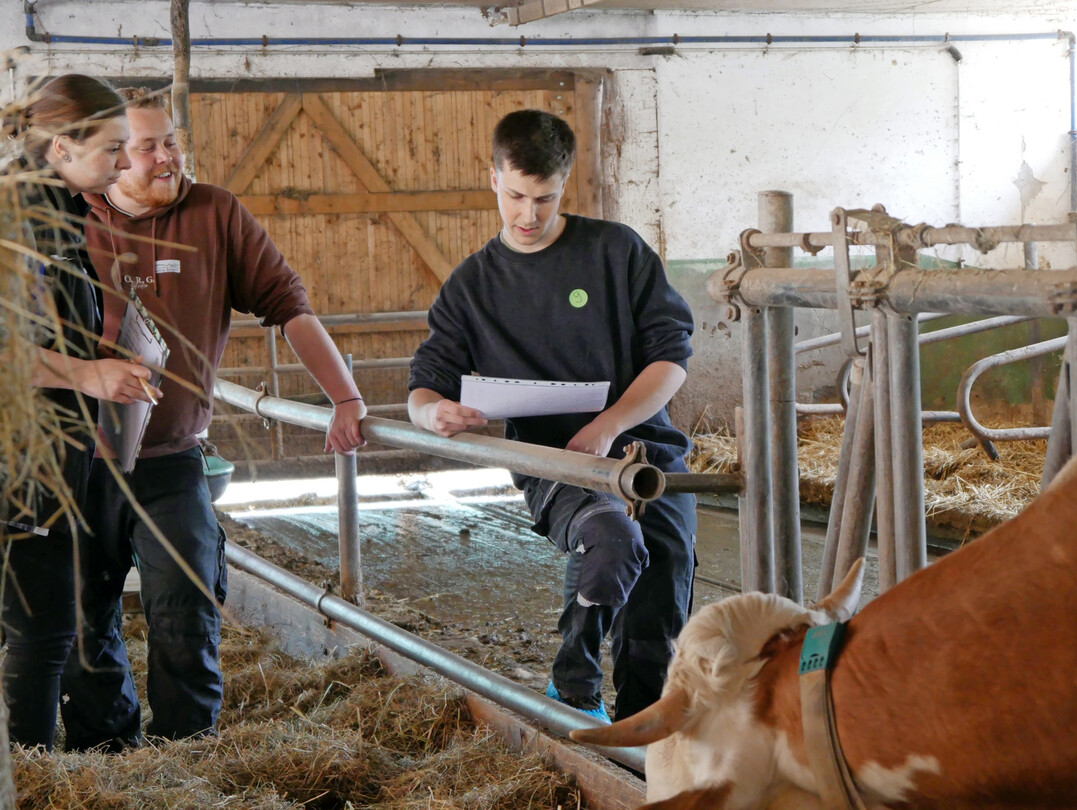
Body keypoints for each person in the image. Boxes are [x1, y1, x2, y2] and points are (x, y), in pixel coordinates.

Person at [59, 87, 366, 751]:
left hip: (170, 458)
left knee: (184, 606)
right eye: (148, 147)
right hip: (78, 460)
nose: (168, 157)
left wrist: (344, 397)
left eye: (171, 141)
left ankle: (186, 750)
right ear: (112, 159)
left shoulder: (214, 213)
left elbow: (288, 304)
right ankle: (106, 752)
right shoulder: (66, 218)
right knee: (83, 615)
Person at [408, 109, 696, 723]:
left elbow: (670, 358)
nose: (528, 216)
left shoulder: (616, 252)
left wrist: (610, 424)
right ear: (493, 179)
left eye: (544, 198)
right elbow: (423, 386)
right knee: (611, 540)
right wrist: (435, 415)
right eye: (515, 196)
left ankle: (642, 750)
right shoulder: (474, 285)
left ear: (565, 184)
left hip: (648, 453)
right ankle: (573, 693)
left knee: (658, 624)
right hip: (554, 464)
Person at [1, 74, 158, 750]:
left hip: (51, 456)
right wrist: (89, 373)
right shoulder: (16, 223)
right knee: (41, 629)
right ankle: (27, 775)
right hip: (18, 460)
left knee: (46, 625)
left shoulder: (58, 215)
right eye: (112, 149)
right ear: (62, 145)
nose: (124, 164)